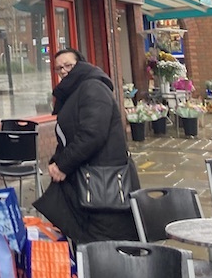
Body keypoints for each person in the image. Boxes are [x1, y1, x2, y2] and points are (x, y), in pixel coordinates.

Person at [33, 47, 139, 245]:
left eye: (68, 65)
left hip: (103, 183)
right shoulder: (76, 90)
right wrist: (57, 161)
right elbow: (71, 135)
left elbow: (92, 134)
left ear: (80, 64)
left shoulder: (92, 88)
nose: (63, 71)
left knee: (105, 242)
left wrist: (63, 164)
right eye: (58, 68)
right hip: (90, 179)